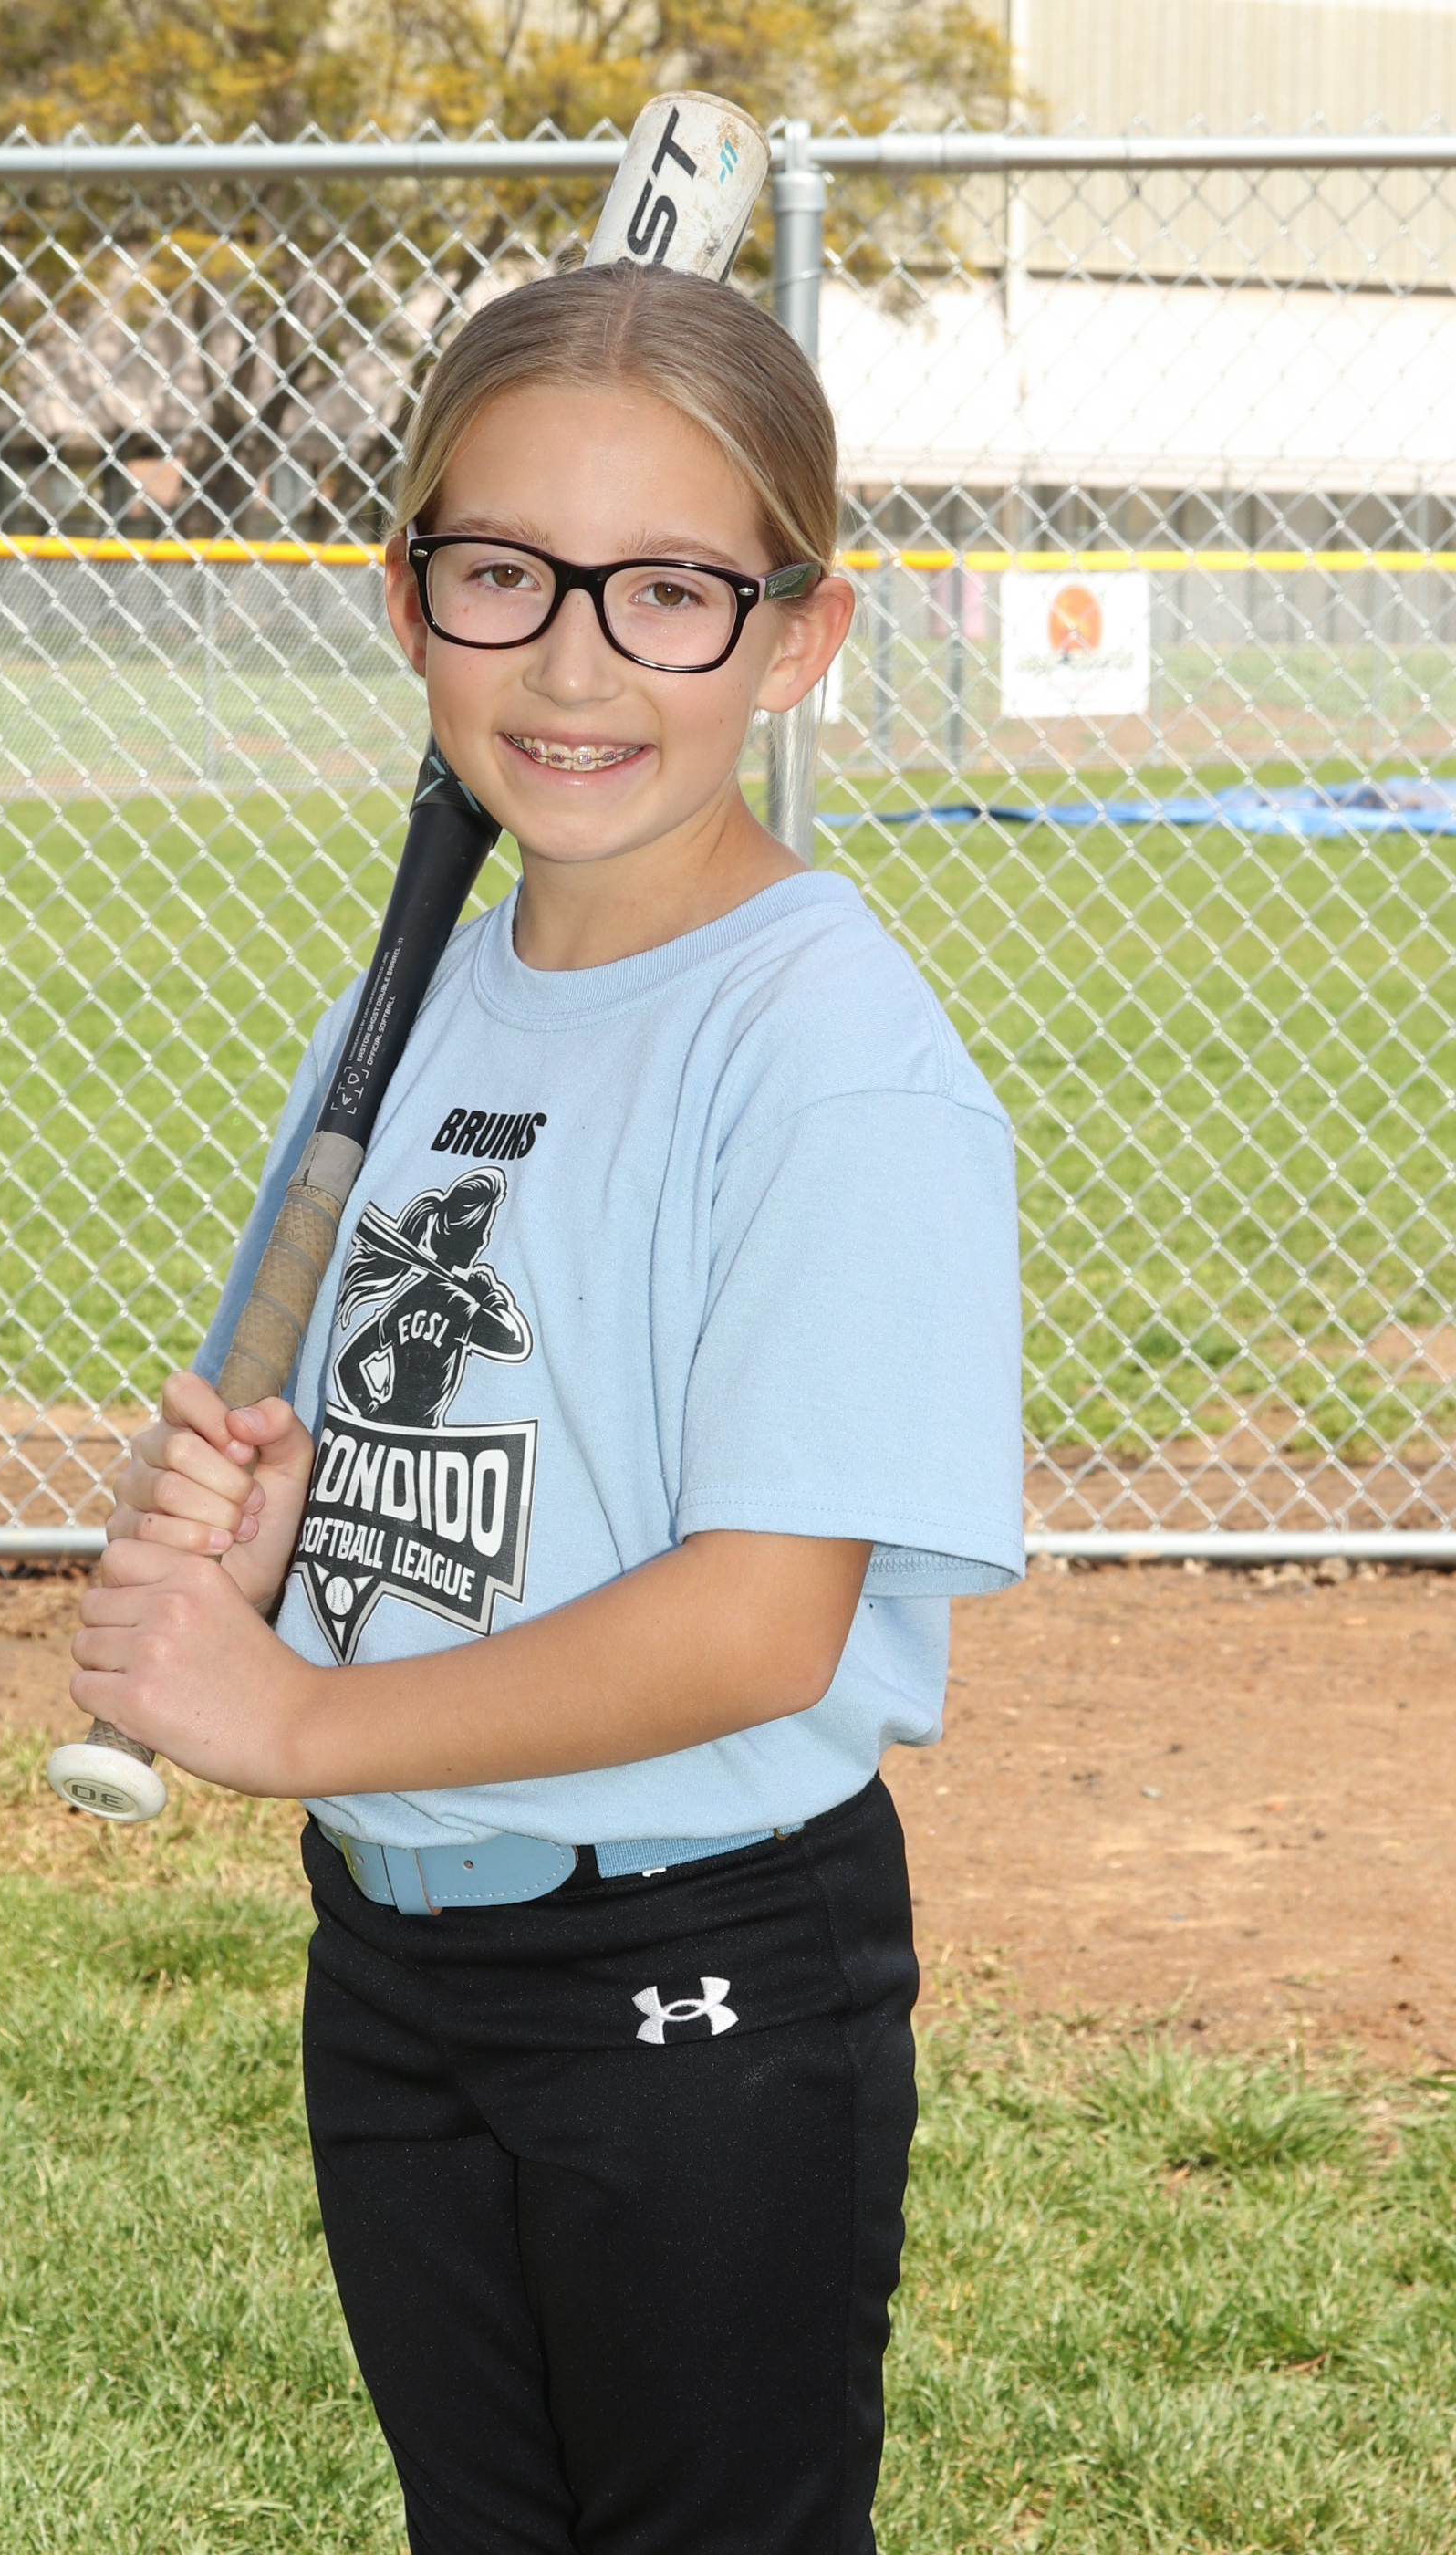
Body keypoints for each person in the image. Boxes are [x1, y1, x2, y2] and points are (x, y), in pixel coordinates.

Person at [68, 260, 1024, 2555]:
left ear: (797, 638)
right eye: (507, 573)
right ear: (409, 601)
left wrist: (295, 1716)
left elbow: (756, 1621)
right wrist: (270, 1546)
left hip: (696, 1963)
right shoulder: (417, 1004)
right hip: (399, 1945)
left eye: (669, 591)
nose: (578, 663)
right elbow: (459, 1429)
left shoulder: (825, 1055)